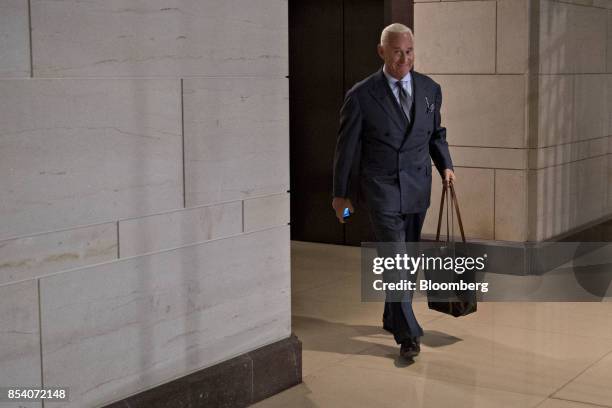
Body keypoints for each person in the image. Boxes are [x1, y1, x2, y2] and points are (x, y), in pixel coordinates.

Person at [331, 23, 456, 359]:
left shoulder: (430, 89)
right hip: (381, 186)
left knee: (408, 257)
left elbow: (436, 134)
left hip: (417, 185)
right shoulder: (361, 95)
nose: (404, 58)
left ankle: (391, 314)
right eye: (398, 51)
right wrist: (341, 195)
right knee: (395, 257)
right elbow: (347, 149)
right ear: (382, 51)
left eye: (409, 51)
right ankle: (407, 333)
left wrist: (446, 165)